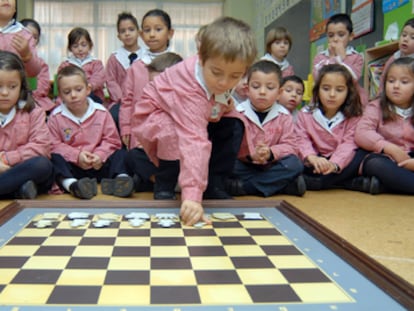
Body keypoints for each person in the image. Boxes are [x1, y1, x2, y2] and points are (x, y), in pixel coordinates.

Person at [132, 16, 257, 225]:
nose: (224, 82)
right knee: (172, 133)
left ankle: (215, 185)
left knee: (235, 123)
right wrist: (192, 197)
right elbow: (194, 141)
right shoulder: (189, 87)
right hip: (156, 115)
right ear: (201, 59)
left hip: (205, 112)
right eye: (216, 73)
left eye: (235, 75)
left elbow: (225, 104)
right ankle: (165, 184)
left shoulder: (224, 75)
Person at [48, 65, 134, 199]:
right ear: (60, 95)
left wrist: (100, 155)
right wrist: (77, 155)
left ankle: (121, 180)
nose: (73, 95)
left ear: (88, 89)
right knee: (53, 159)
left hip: (99, 163)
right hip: (74, 167)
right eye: (67, 92)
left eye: (78, 89)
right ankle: (72, 185)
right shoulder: (55, 117)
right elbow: (53, 145)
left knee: (121, 153)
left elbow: (112, 140)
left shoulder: (101, 112)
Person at [225, 60, 305, 197]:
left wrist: (271, 153)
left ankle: (245, 187)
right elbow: (230, 147)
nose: (262, 92)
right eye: (256, 86)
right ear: (247, 89)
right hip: (245, 165)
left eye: (270, 88)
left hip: (271, 165)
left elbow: (291, 146)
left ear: (279, 92)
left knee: (295, 164)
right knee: (226, 164)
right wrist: (250, 154)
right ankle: (280, 185)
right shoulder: (237, 113)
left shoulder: (284, 116)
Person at [295, 63, 367, 191]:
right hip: (314, 161)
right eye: (326, 88)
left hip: (339, 162)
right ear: (317, 90)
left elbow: (349, 144)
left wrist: (334, 164)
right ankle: (348, 183)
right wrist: (312, 158)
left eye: (339, 90)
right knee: (292, 159)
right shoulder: (305, 113)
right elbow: (301, 139)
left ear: (348, 92)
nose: (332, 94)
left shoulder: (355, 116)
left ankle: (319, 183)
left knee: (362, 154)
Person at [355, 57, 414, 195]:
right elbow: (362, 132)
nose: (396, 86)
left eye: (404, 82)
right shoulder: (376, 106)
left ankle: (389, 186)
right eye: (391, 81)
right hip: (387, 157)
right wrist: (389, 148)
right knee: (374, 164)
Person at [125, 52, 183, 192]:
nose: (154, 89)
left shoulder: (185, 98)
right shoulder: (149, 99)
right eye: (152, 84)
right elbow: (141, 125)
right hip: (157, 155)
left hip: (181, 157)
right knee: (132, 156)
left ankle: (149, 183)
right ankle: (157, 181)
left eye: (159, 85)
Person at [0, 51, 53, 199]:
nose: (4, 93)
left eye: (12, 87)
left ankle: (10, 188)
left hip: (22, 167)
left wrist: (6, 159)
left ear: (21, 87)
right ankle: (17, 190)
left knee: (43, 165)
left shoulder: (33, 111)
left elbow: (42, 147)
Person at [119, 9, 174, 148]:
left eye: (158, 29)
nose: (152, 34)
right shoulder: (136, 66)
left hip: (170, 130)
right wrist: (125, 127)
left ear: (170, 33)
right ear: (141, 35)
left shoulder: (177, 65)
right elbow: (127, 100)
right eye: (147, 30)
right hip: (139, 128)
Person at [312, 13, 368, 106]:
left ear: (351, 36)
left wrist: (342, 59)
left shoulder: (356, 57)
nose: (335, 39)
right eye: (331, 35)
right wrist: (332, 59)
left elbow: (352, 79)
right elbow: (318, 78)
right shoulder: (320, 57)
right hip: (327, 101)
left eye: (341, 35)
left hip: (350, 101)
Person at [106, 12, 140, 123]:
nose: (127, 34)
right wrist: (123, 99)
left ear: (138, 32)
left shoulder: (147, 57)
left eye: (131, 29)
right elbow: (110, 81)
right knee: (115, 117)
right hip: (120, 102)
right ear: (118, 36)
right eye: (123, 31)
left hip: (143, 101)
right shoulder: (114, 58)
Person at [58, 27, 105, 104]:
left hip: (92, 95)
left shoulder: (96, 63)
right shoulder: (66, 64)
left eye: (83, 45)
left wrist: (88, 87)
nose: (80, 49)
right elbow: (61, 81)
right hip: (71, 94)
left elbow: (99, 78)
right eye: (75, 46)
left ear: (90, 45)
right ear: (70, 48)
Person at [20, 18, 56, 113]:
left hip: (36, 99)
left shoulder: (41, 64)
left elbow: (44, 85)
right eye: (27, 35)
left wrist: (29, 94)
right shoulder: (10, 61)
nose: (30, 40)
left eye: (35, 37)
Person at [0, 0, 41, 77]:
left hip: (15, 86)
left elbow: (34, 72)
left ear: (15, 9)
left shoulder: (25, 35)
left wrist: (27, 55)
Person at [379, 18, 414, 96]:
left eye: (413, 37)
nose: (405, 39)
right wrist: (380, 95)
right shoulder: (395, 57)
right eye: (404, 35)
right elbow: (383, 77)